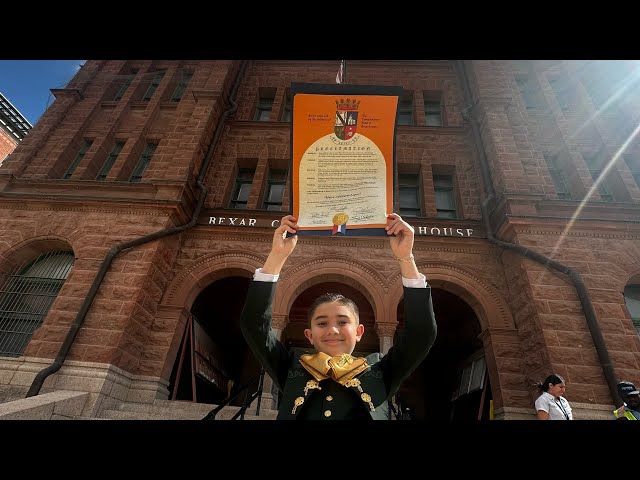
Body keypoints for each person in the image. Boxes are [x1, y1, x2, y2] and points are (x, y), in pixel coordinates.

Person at [239, 213, 437, 420]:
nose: (332, 330)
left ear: (359, 331)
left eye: (343, 322)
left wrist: (406, 258)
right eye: (322, 323)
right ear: (309, 335)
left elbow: (421, 333)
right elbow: (254, 324)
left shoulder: (380, 371)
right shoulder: (291, 367)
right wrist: (277, 257)